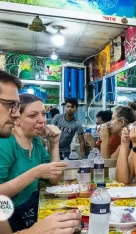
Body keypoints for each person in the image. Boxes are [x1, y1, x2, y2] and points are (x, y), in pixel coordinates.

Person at [0, 70, 80, 234]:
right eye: (32, 115)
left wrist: (54, 143)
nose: (42, 120)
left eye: (43, 114)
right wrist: (35, 173)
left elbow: (54, 178)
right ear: (18, 121)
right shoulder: (6, 142)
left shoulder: (36, 142)